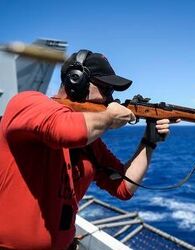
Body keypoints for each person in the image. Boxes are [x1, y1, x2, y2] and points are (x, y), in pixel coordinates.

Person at [0, 50, 174, 249]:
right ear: (76, 81)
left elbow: (123, 187)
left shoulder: (90, 143)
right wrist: (108, 119)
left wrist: (149, 142)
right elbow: (62, 131)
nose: (111, 99)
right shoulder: (27, 103)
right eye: (106, 89)